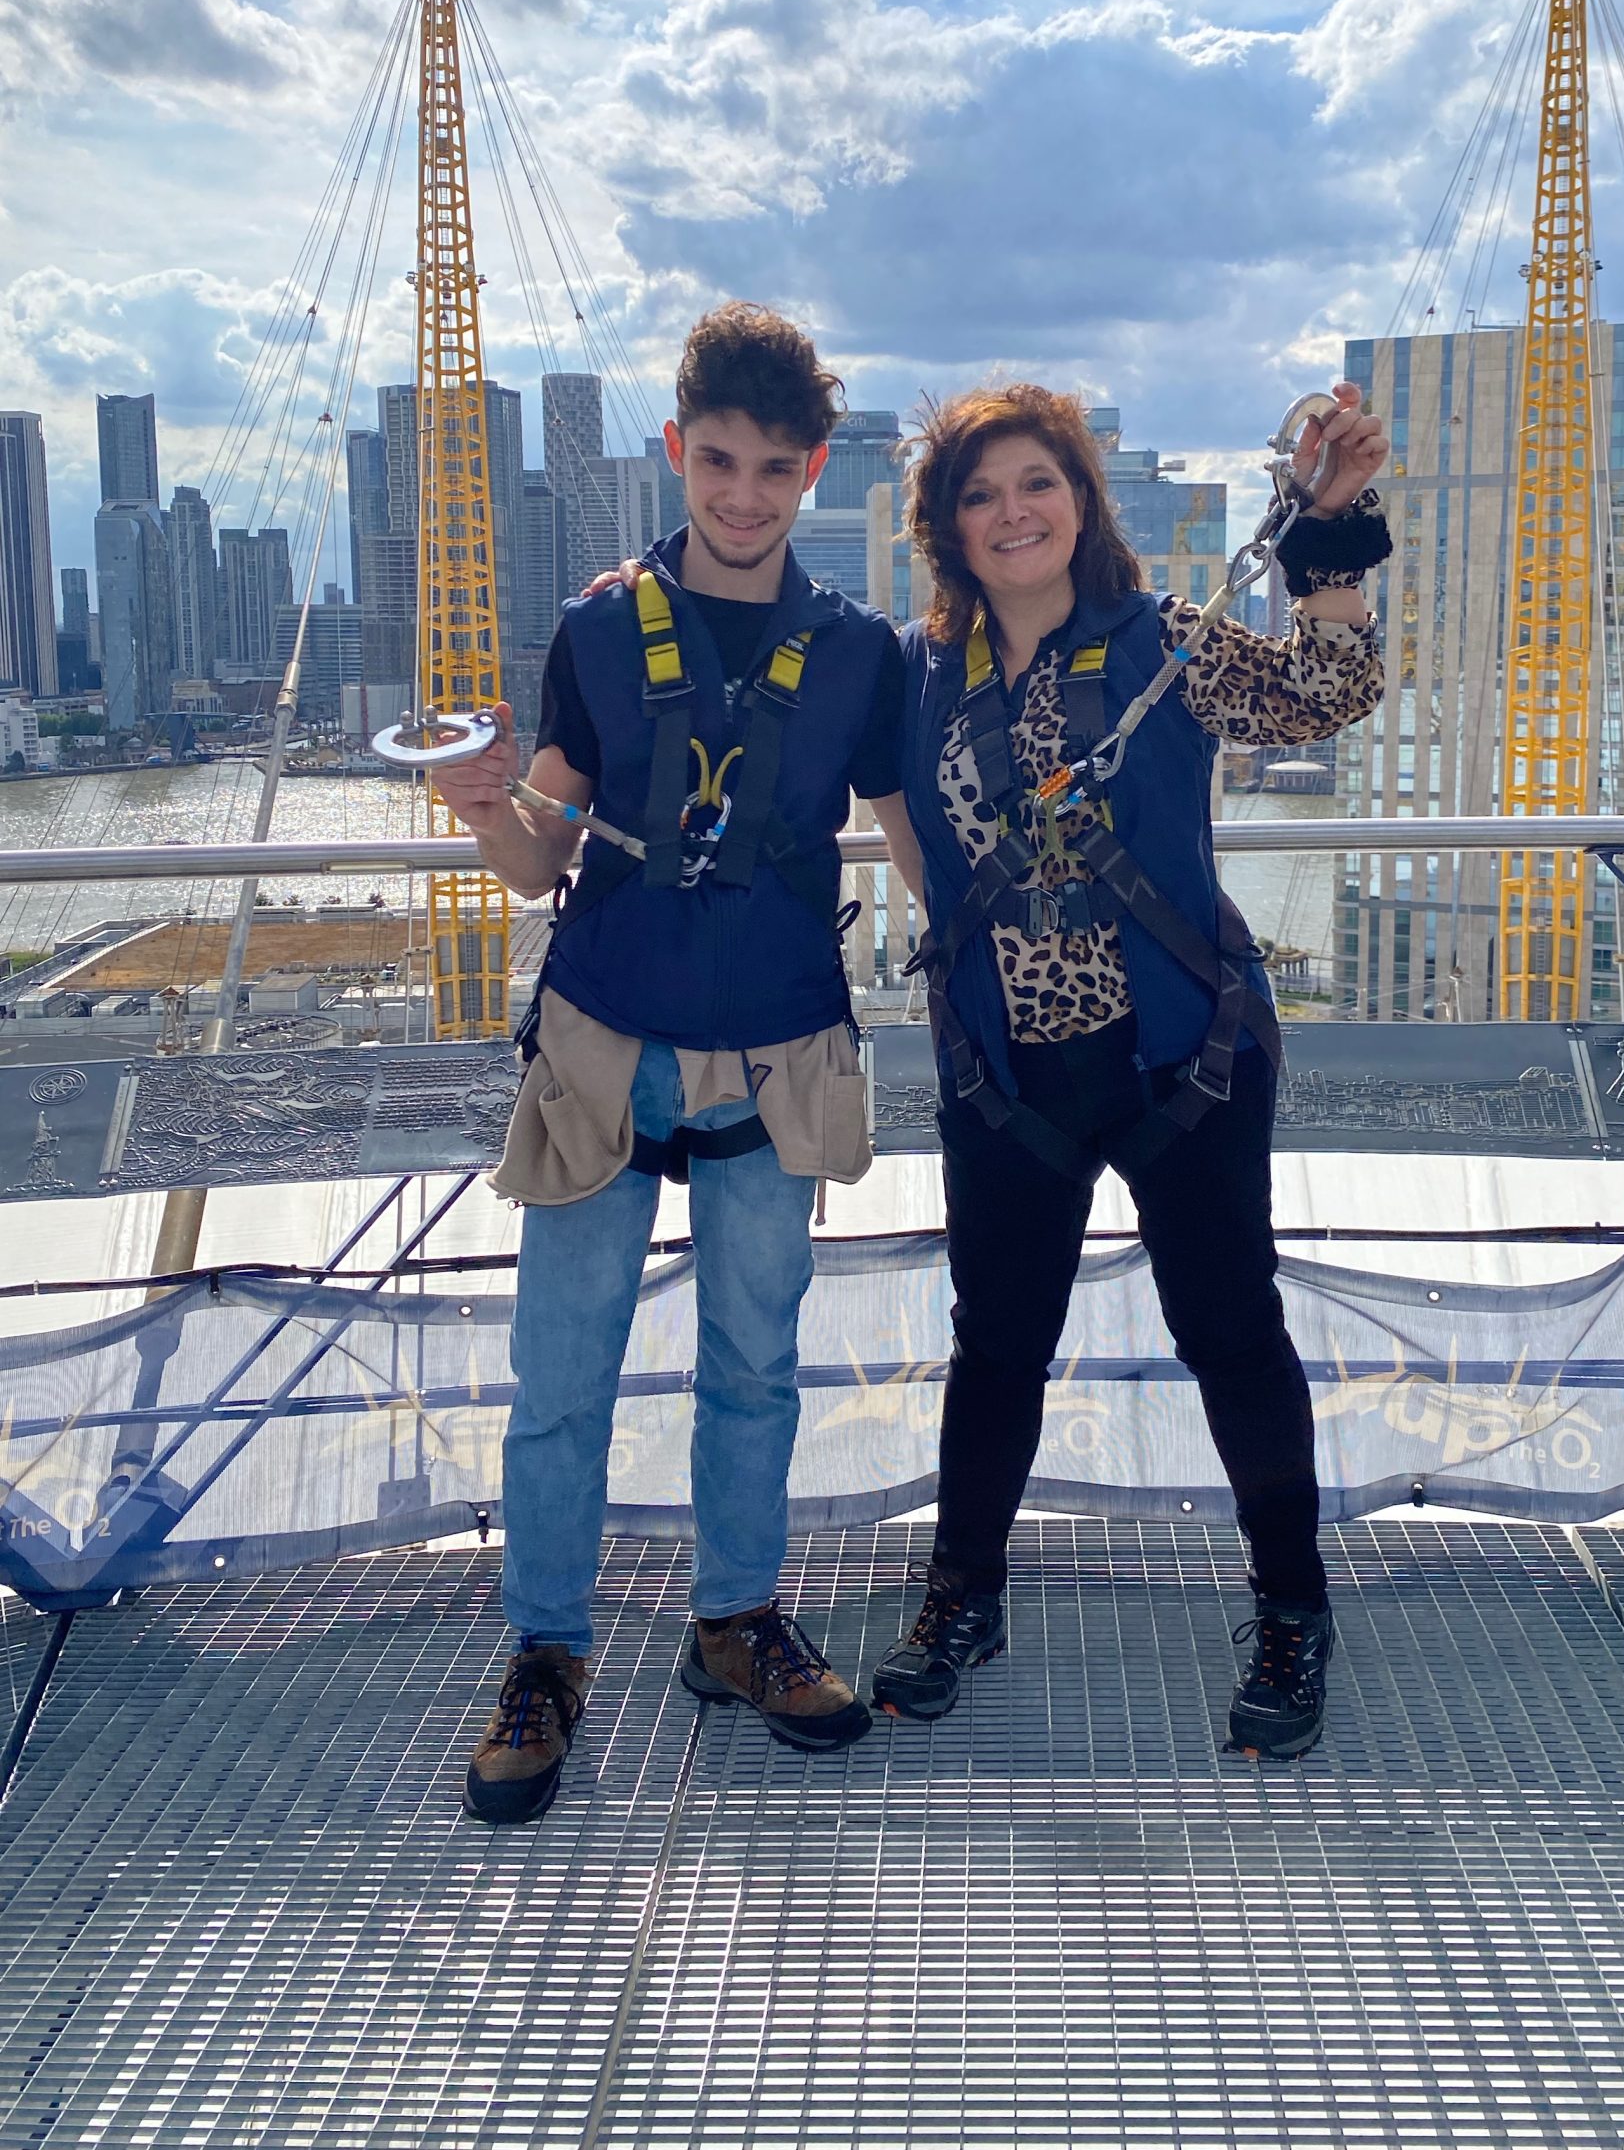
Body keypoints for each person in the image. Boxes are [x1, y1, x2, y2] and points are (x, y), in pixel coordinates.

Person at [432, 302, 906, 1823]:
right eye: (719, 460)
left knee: (753, 1366)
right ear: (675, 453)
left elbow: (918, 845)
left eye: (775, 466)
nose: (745, 494)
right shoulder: (596, 634)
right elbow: (534, 860)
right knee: (562, 1375)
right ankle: (545, 1652)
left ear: (816, 468)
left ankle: (733, 1618)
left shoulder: (858, 660)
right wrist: (478, 803)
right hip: (603, 1038)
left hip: (776, 1049)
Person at [868, 380, 1389, 1759]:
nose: (1010, 512)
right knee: (998, 1344)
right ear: (948, 529)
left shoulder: (1162, 645)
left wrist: (1329, 526)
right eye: (979, 495)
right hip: (1009, 1075)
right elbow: (885, 806)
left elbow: (1330, 688)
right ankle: (961, 1597)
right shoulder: (921, 677)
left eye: (1036, 482)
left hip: (1182, 1056)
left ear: (1084, 502)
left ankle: (1292, 1611)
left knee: (1230, 1332)